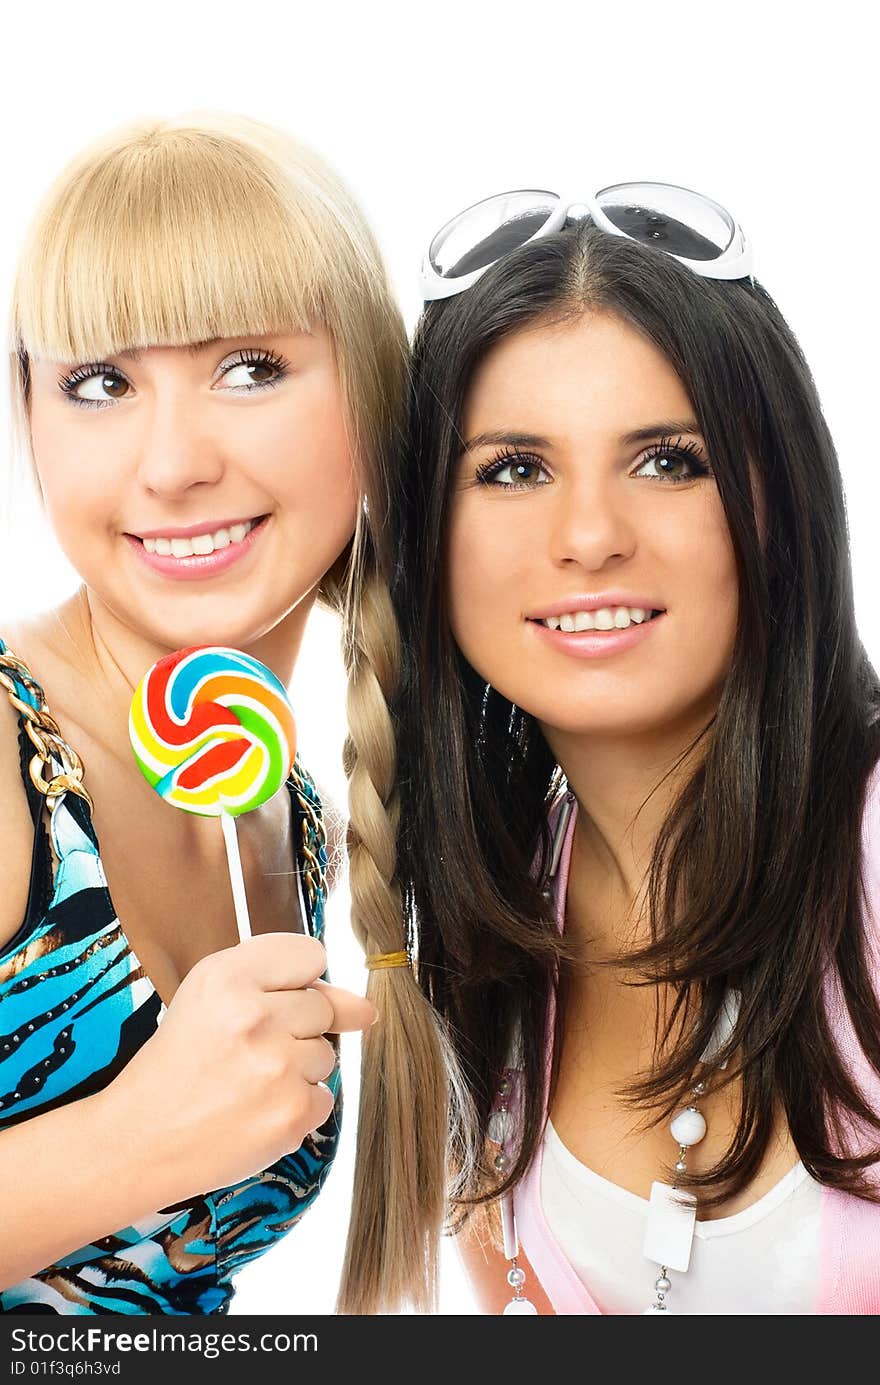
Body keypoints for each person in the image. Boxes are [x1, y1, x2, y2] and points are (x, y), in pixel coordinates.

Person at [350, 185, 880, 1314]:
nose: (588, 535)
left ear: (774, 502)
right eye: (511, 469)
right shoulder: (479, 920)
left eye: (666, 460)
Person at [0, 111, 410, 1315]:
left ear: (374, 395)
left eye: (249, 368)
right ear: (28, 422)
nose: (170, 464)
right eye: (100, 382)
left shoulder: (289, 806)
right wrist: (131, 1139)